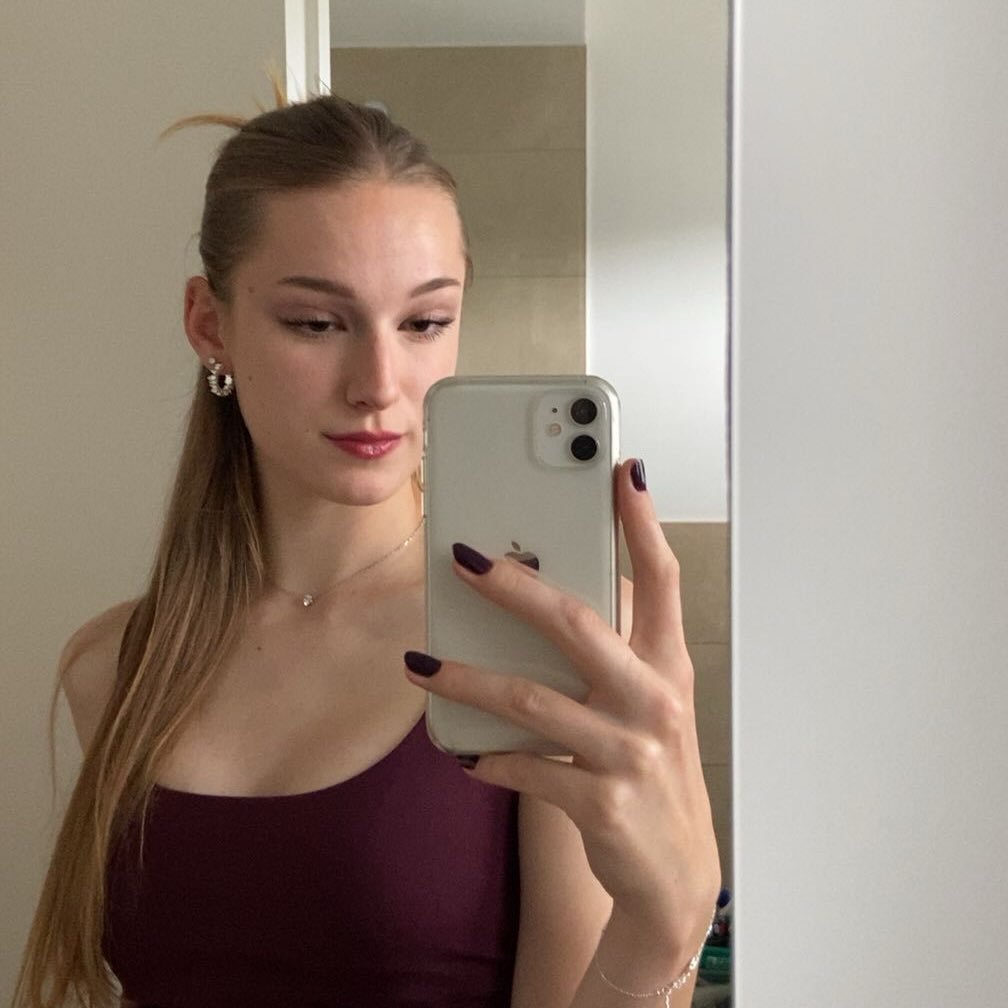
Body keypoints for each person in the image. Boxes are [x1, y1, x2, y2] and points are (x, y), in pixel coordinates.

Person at [15, 93, 720, 1008]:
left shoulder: (554, 638)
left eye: (424, 323)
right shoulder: (114, 666)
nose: (380, 385)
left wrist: (665, 925)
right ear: (209, 324)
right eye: (317, 323)